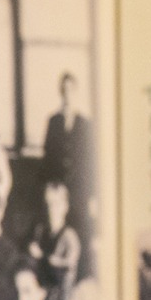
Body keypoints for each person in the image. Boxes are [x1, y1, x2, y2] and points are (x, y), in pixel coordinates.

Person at [28, 179, 81, 300]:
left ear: (65, 207)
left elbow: (68, 266)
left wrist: (42, 257)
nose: (51, 209)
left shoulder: (69, 237)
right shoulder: (40, 232)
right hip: (41, 298)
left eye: (56, 204)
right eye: (48, 204)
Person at [41, 72, 93, 209]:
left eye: (70, 90)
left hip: (79, 187)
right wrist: (50, 185)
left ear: (76, 92)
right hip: (57, 186)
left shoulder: (84, 123)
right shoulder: (53, 121)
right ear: (60, 92)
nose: (67, 94)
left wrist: (91, 193)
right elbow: (48, 155)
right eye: (64, 90)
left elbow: (89, 159)